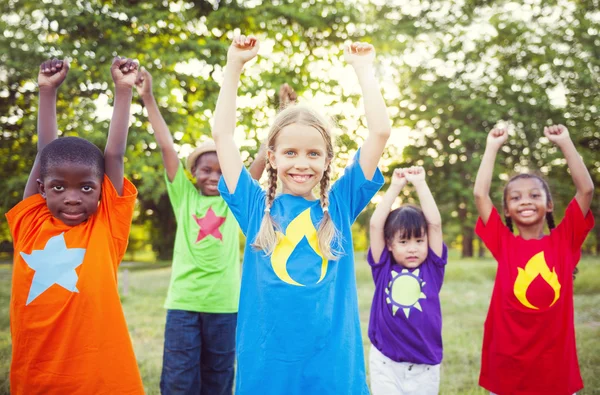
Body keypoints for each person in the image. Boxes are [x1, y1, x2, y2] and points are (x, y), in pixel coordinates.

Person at [212, 34, 391, 394]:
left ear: (327, 161)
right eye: (290, 152)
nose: (302, 163)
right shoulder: (254, 206)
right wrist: (233, 66)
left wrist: (363, 70)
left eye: (313, 154)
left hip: (332, 368)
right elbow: (222, 134)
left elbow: (380, 132)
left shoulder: (339, 206)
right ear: (273, 158)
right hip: (267, 368)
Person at [5, 57, 144, 394]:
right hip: (37, 375)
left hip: (98, 379)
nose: (71, 198)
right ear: (41, 188)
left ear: (100, 191)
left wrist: (123, 91)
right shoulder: (30, 222)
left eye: (86, 188)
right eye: (58, 187)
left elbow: (115, 156)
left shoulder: (106, 227)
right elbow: (45, 154)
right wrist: (46, 92)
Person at [134, 67, 265, 394]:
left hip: (224, 306)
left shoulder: (234, 202)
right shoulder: (184, 196)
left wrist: (281, 113)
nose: (214, 176)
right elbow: (166, 146)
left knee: (219, 378)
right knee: (179, 379)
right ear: (192, 172)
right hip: (184, 305)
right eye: (206, 169)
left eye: (222, 170)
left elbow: (262, 159)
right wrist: (148, 96)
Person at [473, 125, 594, 395]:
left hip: (555, 369)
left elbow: (585, 190)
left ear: (549, 205)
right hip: (507, 366)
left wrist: (565, 143)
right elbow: (480, 195)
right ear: (506, 210)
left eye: (534, 195)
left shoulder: (565, 241)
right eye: (515, 197)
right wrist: (491, 147)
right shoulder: (503, 244)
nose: (525, 201)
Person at [367, 166, 447, 395]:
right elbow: (375, 225)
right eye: (403, 242)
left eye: (419, 241)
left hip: (424, 364)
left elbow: (434, 224)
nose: (412, 249)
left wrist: (420, 183)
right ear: (390, 245)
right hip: (386, 361)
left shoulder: (432, 268)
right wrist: (395, 186)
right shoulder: (383, 267)